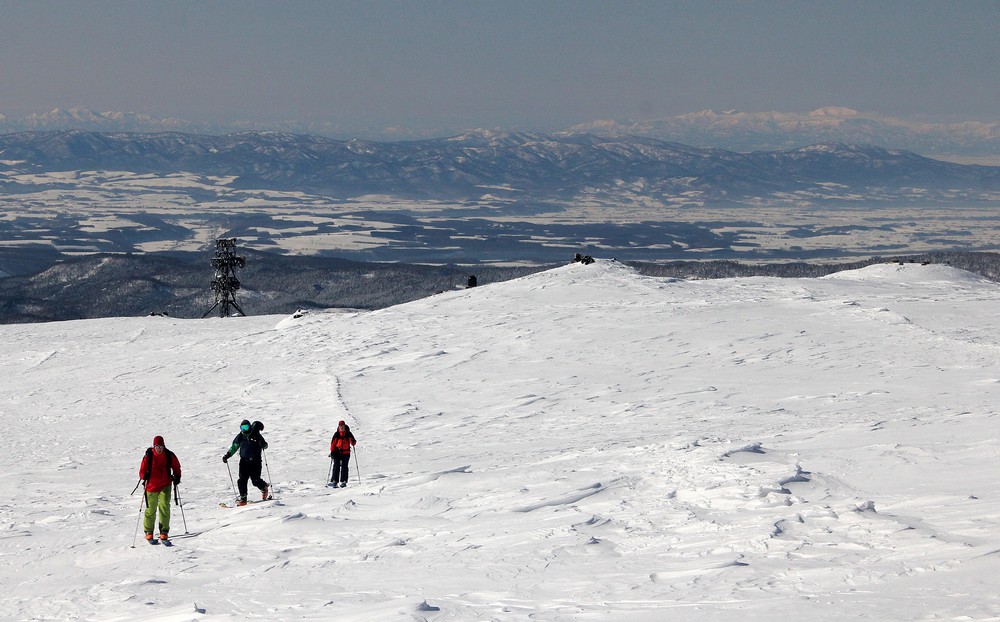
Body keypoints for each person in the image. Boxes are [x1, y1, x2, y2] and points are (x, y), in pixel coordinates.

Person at [138, 435, 181, 542]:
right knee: (151, 509)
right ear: (154, 446)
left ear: (164, 446)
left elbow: (176, 467)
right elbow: (142, 471)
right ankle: (148, 531)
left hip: (165, 484)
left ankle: (164, 531)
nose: (159, 448)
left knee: (165, 506)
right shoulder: (148, 456)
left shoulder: (169, 455)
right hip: (151, 486)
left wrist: (177, 476)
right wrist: (144, 476)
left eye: (161, 446)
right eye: (157, 446)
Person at [223, 419, 269, 506]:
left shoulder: (256, 435)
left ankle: (264, 487)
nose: (244, 429)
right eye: (242, 427)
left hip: (255, 461)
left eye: (246, 427)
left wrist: (262, 443)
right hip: (244, 461)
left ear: (250, 426)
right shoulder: (240, 436)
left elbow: (265, 445)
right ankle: (243, 499)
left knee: (255, 480)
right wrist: (227, 455)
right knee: (242, 480)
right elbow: (234, 447)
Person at [329, 420, 357, 487]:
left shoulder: (348, 433)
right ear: (338, 426)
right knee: (336, 466)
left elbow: (352, 441)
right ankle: (335, 481)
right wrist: (332, 452)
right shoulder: (336, 434)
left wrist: (353, 441)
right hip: (337, 452)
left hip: (346, 452)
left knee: (344, 467)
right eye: (340, 426)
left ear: (345, 426)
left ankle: (343, 481)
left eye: (343, 426)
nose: (341, 427)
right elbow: (333, 444)